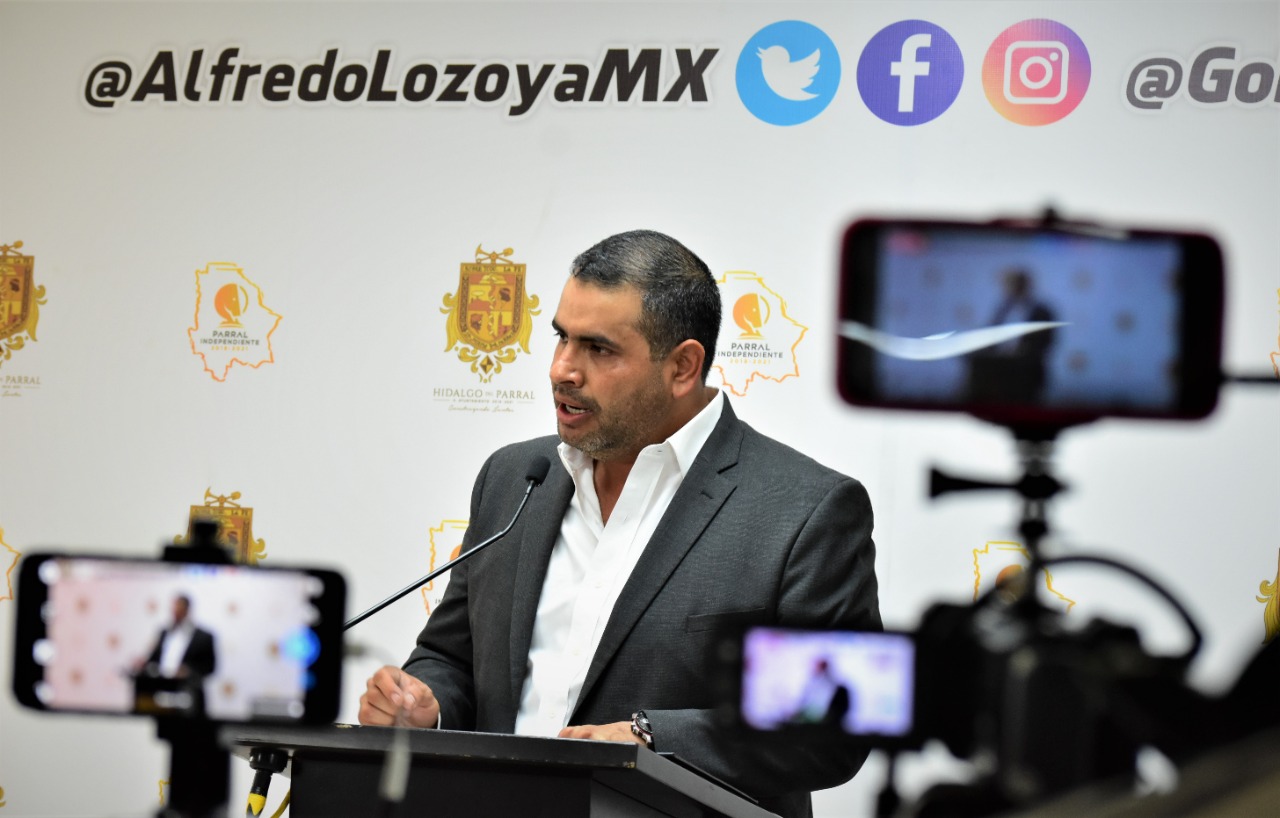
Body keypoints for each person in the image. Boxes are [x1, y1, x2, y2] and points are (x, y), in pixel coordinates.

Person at [360, 230, 880, 817]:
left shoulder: (803, 509)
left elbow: (829, 730)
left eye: (599, 349)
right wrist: (426, 704)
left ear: (683, 366)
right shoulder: (514, 479)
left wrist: (650, 741)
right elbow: (452, 657)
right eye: (561, 337)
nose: (562, 369)